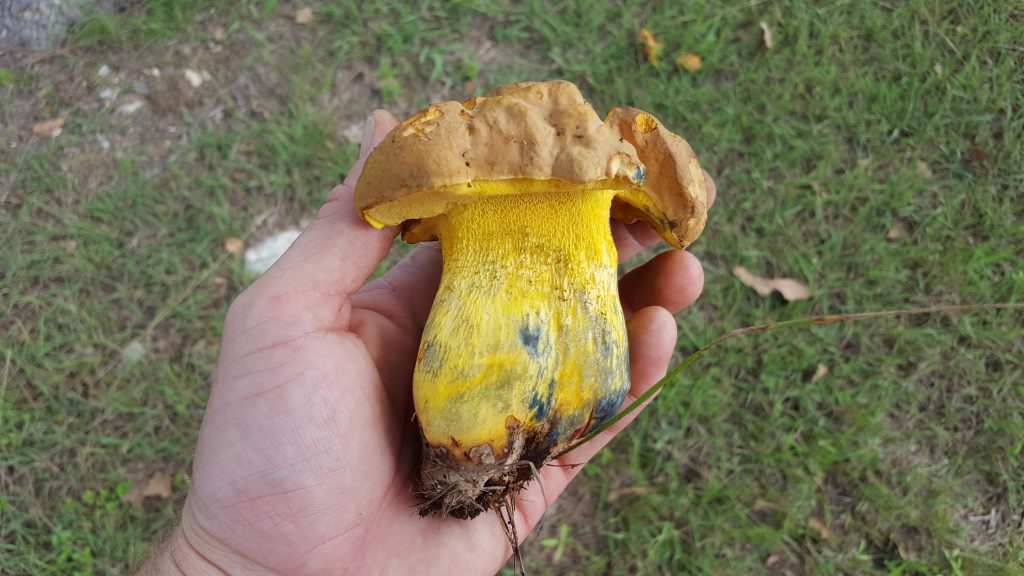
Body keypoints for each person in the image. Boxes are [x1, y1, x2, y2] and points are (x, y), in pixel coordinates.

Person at [140, 110, 716, 575]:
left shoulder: (628, 160)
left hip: (562, 400)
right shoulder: (435, 158)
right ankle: (469, 470)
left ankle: (482, 466)